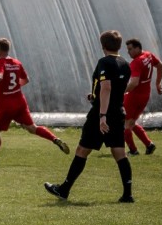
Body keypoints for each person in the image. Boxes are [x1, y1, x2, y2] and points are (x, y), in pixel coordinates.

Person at [44, 30, 135, 203]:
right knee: (119, 153)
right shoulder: (125, 63)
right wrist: (95, 95)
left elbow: (107, 87)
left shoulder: (104, 62)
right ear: (119, 45)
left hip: (101, 114)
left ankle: (64, 190)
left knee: (82, 150)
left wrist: (102, 116)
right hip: (118, 112)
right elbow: (117, 88)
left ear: (103, 46)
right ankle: (127, 194)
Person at [0, 37, 70, 164]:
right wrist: (15, 86)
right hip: (20, 101)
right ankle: (54, 139)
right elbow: (26, 80)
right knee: (32, 128)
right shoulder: (17, 62)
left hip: (6, 105)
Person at [123, 38, 162, 156]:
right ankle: (149, 145)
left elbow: (134, 83)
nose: (128, 52)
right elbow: (161, 66)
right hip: (145, 95)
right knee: (132, 122)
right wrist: (157, 83)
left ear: (137, 48)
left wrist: (122, 91)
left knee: (125, 124)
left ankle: (133, 151)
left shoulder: (136, 62)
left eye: (130, 49)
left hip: (134, 96)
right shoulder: (148, 55)